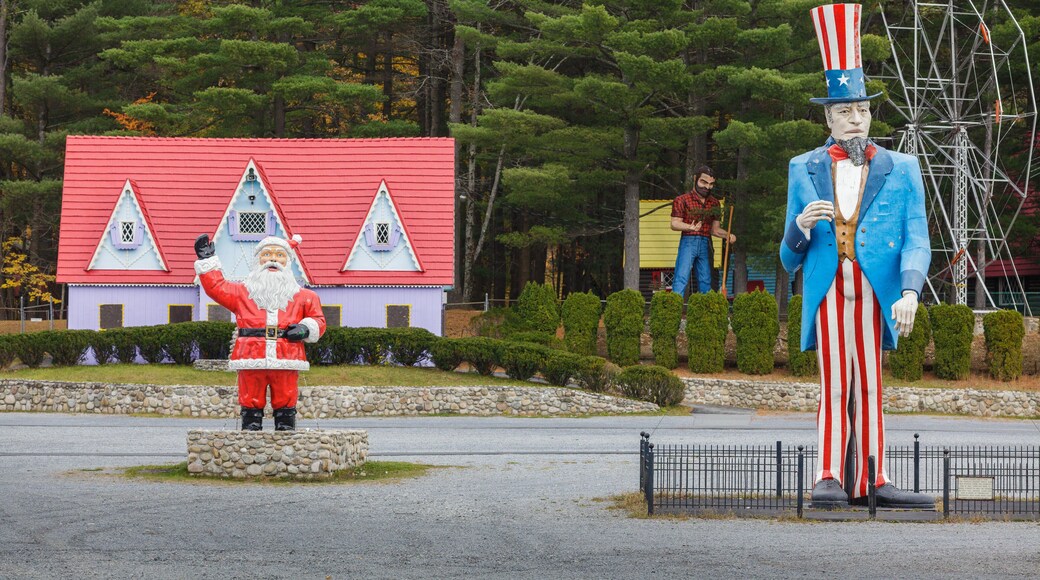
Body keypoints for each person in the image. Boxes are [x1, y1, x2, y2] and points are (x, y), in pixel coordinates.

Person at [780, 3, 932, 509]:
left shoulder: (903, 168)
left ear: (871, 113)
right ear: (827, 116)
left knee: (870, 385)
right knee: (833, 384)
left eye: (862, 110)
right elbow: (786, 258)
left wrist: (910, 288)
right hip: (827, 290)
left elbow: (917, 236)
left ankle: (874, 478)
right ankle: (827, 475)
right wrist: (800, 230)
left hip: (873, 292)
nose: (854, 119)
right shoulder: (802, 167)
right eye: (844, 111)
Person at [194, 233, 326, 431]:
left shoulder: (305, 296)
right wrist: (207, 260)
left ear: (288, 261)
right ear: (258, 260)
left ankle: (285, 432)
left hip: (286, 356)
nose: (273, 259)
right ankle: (251, 432)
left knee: (286, 397)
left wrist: (305, 328)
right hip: (250, 355)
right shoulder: (241, 293)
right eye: (267, 254)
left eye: (280, 255)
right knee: (250, 397)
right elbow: (216, 287)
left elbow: (319, 320)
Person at [670, 166, 736, 297]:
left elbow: (714, 229)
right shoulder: (682, 200)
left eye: (711, 184)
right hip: (688, 240)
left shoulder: (715, 203)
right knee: (681, 277)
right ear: (695, 179)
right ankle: (674, 309)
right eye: (703, 182)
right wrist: (689, 227)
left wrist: (727, 235)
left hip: (706, 242)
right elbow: (674, 223)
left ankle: (704, 313)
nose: (707, 187)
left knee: (705, 279)